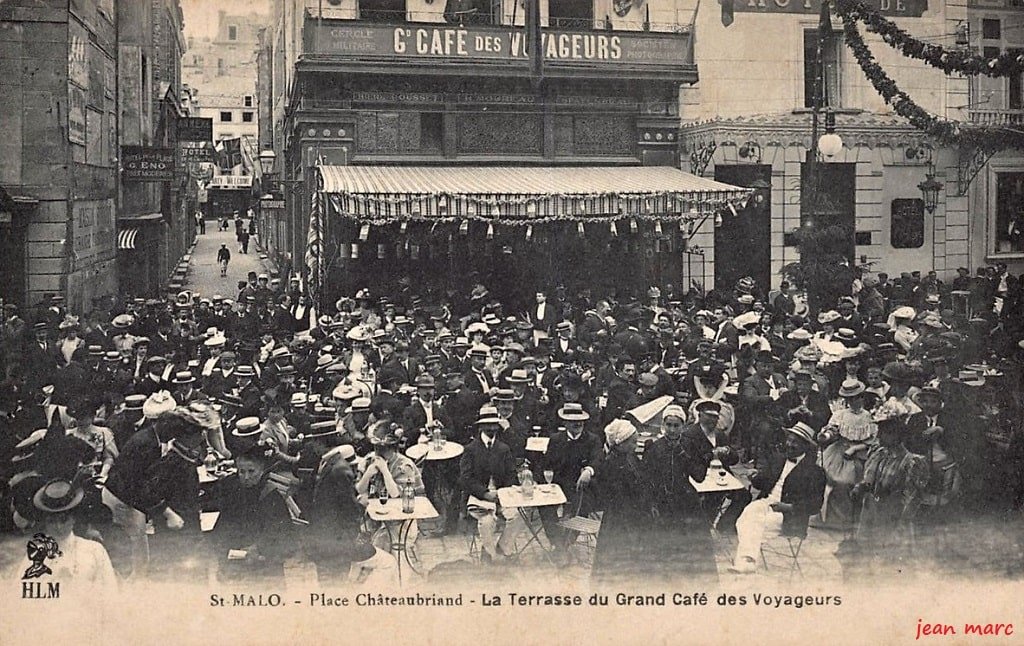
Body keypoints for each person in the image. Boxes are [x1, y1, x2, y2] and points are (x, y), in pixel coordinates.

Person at [729, 421, 825, 574]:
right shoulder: (779, 459)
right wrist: (754, 477)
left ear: (805, 446)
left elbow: (815, 505)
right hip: (767, 502)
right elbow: (764, 483)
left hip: (789, 515)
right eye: (789, 439)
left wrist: (788, 507)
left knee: (758, 524)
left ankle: (747, 560)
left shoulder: (815, 471)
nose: (789, 444)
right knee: (746, 515)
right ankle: (748, 560)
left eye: (795, 442)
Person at [641, 405, 718, 580]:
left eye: (676, 426)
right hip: (662, 502)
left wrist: (683, 454)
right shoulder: (654, 447)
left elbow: (698, 477)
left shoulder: (690, 445)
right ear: (663, 425)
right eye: (669, 425)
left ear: (683, 426)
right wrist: (652, 503)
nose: (672, 430)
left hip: (685, 501)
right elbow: (647, 480)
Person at [591, 419, 657, 584]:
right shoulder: (614, 463)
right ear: (620, 443)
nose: (636, 444)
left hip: (633, 511)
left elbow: (642, 478)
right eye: (633, 441)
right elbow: (617, 492)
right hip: (621, 516)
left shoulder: (629, 456)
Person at [458, 408, 526, 564]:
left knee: (520, 516)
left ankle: (503, 547)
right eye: (487, 425)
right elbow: (465, 479)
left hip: (501, 496)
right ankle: (489, 553)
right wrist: (485, 493)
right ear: (480, 427)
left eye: (494, 425)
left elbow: (511, 476)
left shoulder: (503, 449)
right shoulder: (471, 449)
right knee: (488, 521)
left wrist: (505, 493)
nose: (491, 428)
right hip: (479, 497)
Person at [816, 379, 877, 529]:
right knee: (832, 479)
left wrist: (855, 448)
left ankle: (852, 519)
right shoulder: (840, 415)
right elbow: (832, 430)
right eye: (850, 399)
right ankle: (834, 519)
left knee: (855, 481)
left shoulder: (868, 416)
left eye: (857, 398)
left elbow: (872, 440)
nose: (853, 402)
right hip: (838, 451)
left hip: (861, 453)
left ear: (862, 397)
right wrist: (826, 435)